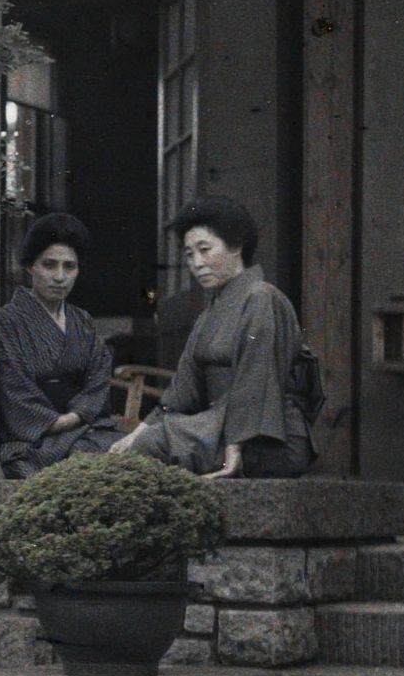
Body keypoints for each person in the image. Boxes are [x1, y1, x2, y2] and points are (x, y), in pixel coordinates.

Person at [109, 196, 317, 478]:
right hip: (219, 427)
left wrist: (234, 449)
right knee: (131, 444)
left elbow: (256, 379)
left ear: (237, 246)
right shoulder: (209, 314)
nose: (197, 263)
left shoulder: (262, 298)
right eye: (189, 255)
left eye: (205, 250)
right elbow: (182, 392)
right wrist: (135, 433)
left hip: (270, 438)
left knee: (155, 444)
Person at [0, 212, 123, 478]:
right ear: (31, 266)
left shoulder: (83, 321)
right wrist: (62, 422)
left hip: (83, 431)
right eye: (49, 265)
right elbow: (15, 391)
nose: (59, 276)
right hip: (34, 439)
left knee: (122, 451)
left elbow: (98, 379)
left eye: (69, 267)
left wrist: (76, 419)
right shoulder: (8, 322)